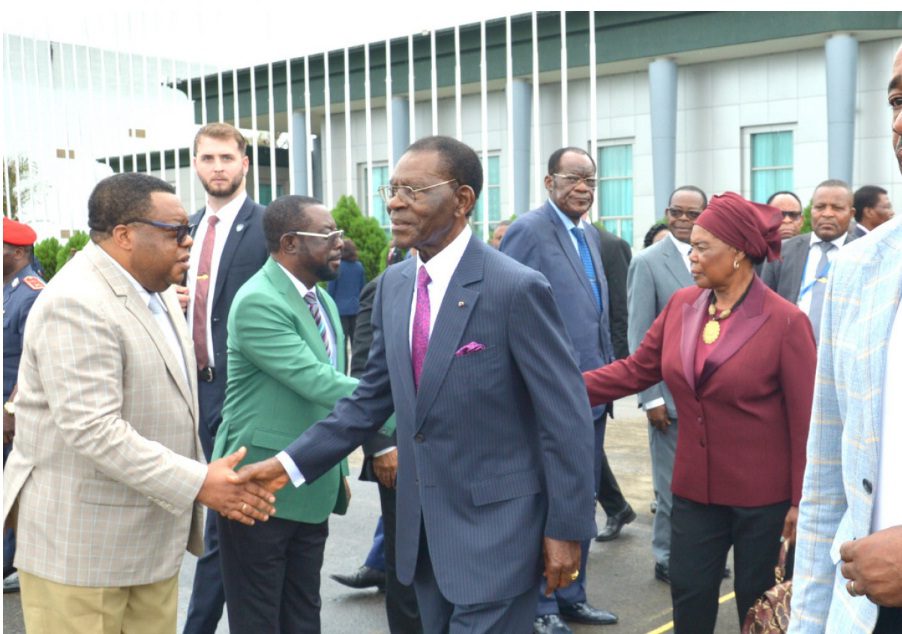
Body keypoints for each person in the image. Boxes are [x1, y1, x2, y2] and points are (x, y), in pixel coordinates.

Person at [238, 135, 597, 633]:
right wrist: (286, 465)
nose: (394, 203)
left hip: (499, 538)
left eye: (414, 191)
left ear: (462, 199)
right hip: (423, 540)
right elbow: (368, 401)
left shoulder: (515, 288)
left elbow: (565, 417)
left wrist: (567, 529)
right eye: (392, 189)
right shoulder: (395, 286)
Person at [1, 172, 275, 634]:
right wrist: (199, 482)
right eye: (176, 231)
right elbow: (94, 429)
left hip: (147, 544)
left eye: (188, 229)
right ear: (125, 235)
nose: (189, 241)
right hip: (83, 553)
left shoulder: (157, 289)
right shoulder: (77, 302)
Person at [583, 192, 817, 633]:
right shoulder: (682, 306)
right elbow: (636, 370)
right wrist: (560, 389)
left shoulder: (785, 321)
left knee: (756, 603)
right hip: (694, 491)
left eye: (702, 247)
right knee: (689, 594)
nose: (691, 255)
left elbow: (806, 421)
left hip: (762, 499)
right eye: (691, 246)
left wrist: (800, 501)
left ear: (738, 253)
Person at [789, 43, 902, 634]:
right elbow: (827, 479)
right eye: (897, 101)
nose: (900, 120)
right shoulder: (858, 268)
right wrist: (807, 622)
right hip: (860, 613)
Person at [213, 195, 358, 633]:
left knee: (302, 615)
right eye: (328, 233)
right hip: (258, 486)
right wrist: (401, 402)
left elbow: (326, 393)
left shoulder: (321, 300)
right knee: (259, 619)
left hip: (309, 481)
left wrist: (338, 465)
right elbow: (316, 380)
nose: (339, 241)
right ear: (290, 242)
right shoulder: (258, 300)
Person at [501, 147, 623, 632]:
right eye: (573, 178)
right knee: (549, 501)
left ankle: (572, 594)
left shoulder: (588, 234)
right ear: (549, 181)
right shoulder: (529, 231)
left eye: (590, 180)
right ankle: (542, 606)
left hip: (590, 395)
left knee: (580, 496)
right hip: (548, 396)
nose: (583, 188)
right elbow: (507, 307)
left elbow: (594, 314)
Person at [183, 121, 268, 634]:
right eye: (208, 158)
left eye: (227, 158)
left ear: (245, 164)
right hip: (192, 392)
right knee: (206, 519)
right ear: (195, 164)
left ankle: (200, 624)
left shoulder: (268, 227)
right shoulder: (184, 230)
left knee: (229, 521)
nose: (218, 168)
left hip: (244, 395)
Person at [331, 268, 424, 633]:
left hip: (453, 456)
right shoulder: (385, 288)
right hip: (398, 453)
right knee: (406, 567)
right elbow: (365, 373)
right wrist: (381, 445)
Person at [627, 185, 706, 585]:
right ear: (666, 212)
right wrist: (651, 397)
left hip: (710, 399)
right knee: (671, 488)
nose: (684, 220)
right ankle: (667, 557)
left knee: (705, 487)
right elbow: (640, 335)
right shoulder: (648, 262)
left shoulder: (716, 256)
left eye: (693, 214)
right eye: (677, 212)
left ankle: (700, 553)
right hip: (669, 399)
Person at [2, 216, 45, 594]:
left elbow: (35, 360)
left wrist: (11, 410)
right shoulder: (8, 290)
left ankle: (13, 563)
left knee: (15, 487)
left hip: (14, 413)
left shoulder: (32, 294)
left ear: (16, 253)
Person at [761, 179, 857, 341]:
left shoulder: (863, 254)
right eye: (820, 207)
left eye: (837, 208)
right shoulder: (782, 251)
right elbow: (763, 304)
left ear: (851, 214)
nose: (827, 214)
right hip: (790, 347)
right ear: (811, 210)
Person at [327, 237, 367, 346]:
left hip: (339, 310)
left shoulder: (337, 266)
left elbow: (331, 290)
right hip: (355, 308)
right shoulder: (359, 266)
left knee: (341, 343)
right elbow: (362, 288)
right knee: (356, 342)